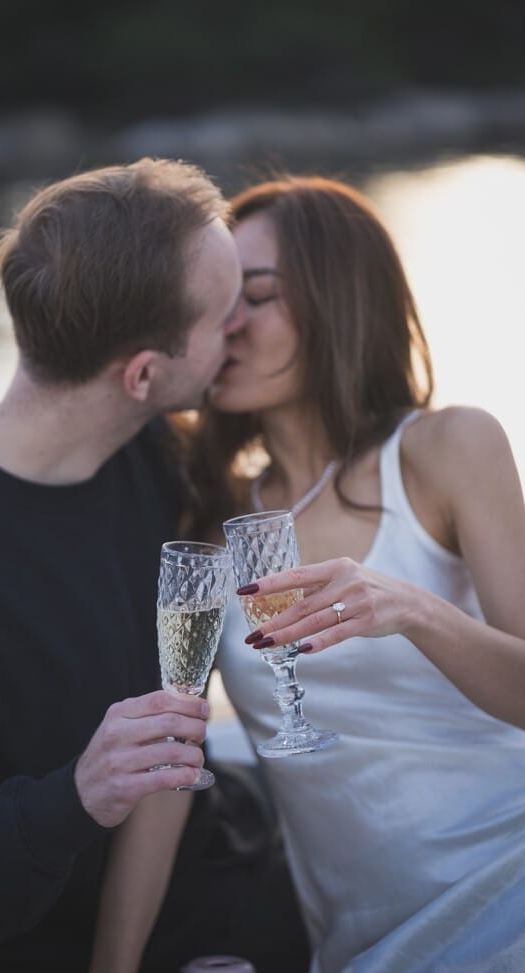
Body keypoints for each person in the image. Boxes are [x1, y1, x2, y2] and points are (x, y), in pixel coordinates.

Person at [0, 158, 310, 973]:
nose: (242, 334)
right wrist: (76, 794)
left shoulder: (156, 456)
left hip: (237, 897)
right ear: (145, 373)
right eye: (226, 318)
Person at [185, 176, 525, 972]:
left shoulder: (447, 450)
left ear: (338, 299)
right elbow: (171, 747)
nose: (224, 324)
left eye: (255, 296)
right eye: (212, 299)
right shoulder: (211, 523)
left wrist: (412, 609)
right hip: (360, 946)